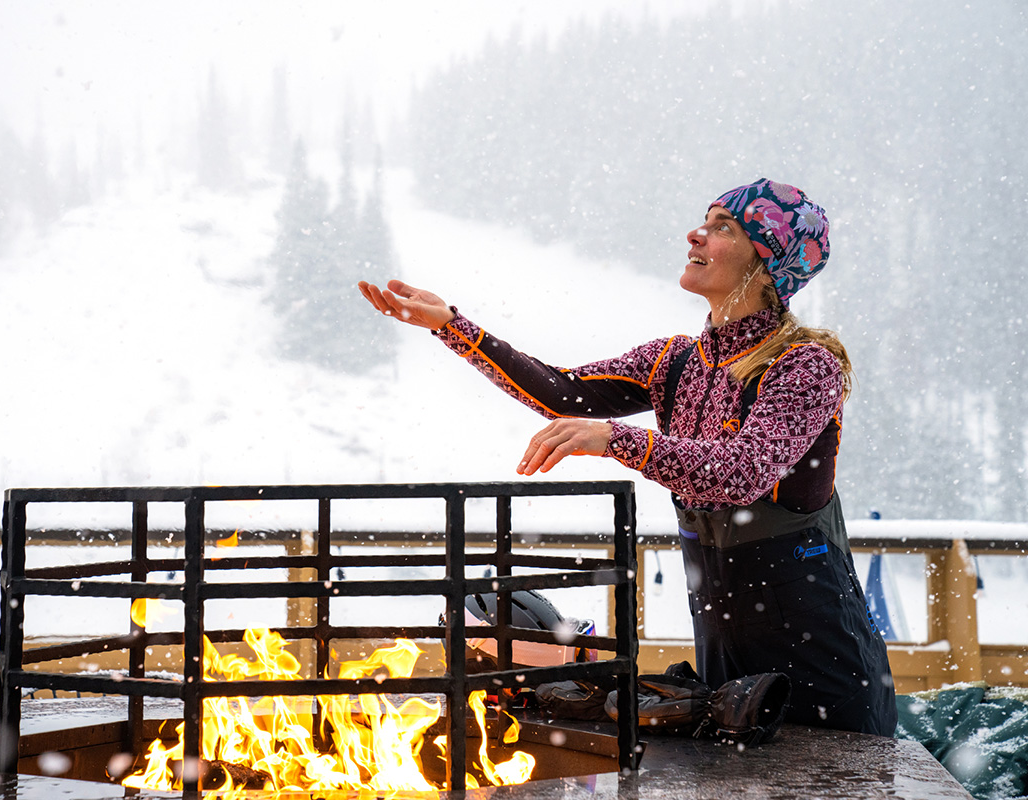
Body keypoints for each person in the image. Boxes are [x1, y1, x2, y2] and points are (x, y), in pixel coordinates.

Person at [358, 178, 897, 736]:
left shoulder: (805, 365)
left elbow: (741, 473)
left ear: (766, 263)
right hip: (727, 655)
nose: (696, 234)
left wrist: (618, 440)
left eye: (723, 228)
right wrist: (451, 324)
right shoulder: (675, 361)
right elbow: (560, 392)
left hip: (822, 662)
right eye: (705, 221)